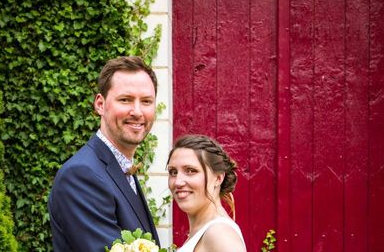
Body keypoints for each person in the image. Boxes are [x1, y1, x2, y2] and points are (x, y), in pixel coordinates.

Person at [49, 56, 160, 252]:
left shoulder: (121, 167)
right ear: (100, 104)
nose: (137, 111)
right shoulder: (81, 175)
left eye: (146, 101)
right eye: (125, 100)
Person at [167, 135, 247, 252]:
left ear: (218, 178)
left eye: (191, 171)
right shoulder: (204, 231)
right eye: (173, 172)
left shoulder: (220, 235)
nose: (178, 182)